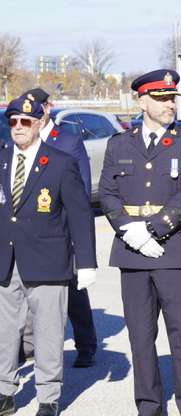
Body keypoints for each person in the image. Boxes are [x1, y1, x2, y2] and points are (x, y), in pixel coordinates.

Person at [99, 69, 181, 416]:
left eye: (171, 98)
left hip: (174, 250)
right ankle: (148, 406)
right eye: (161, 99)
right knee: (140, 338)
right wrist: (128, 229)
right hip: (132, 253)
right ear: (142, 101)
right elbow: (107, 193)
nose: (169, 105)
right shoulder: (119, 143)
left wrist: (152, 229)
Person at [0, 94, 96, 416]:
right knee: (5, 331)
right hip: (6, 259)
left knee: (48, 331)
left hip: (48, 260)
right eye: (12, 121)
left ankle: (48, 396)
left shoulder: (59, 161)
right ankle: (4, 390)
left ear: (39, 123)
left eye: (25, 121)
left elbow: (80, 214)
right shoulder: (0, 160)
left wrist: (85, 262)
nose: (18, 127)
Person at [21, 87, 97, 369]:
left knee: (74, 290)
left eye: (37, 107)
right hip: (32, 231)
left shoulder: (67, 140)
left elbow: (83, 189)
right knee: (30, 291)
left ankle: (86, 345)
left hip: (62, 229)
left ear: (48, 108)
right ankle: (27, 346)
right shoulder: (23, 140)